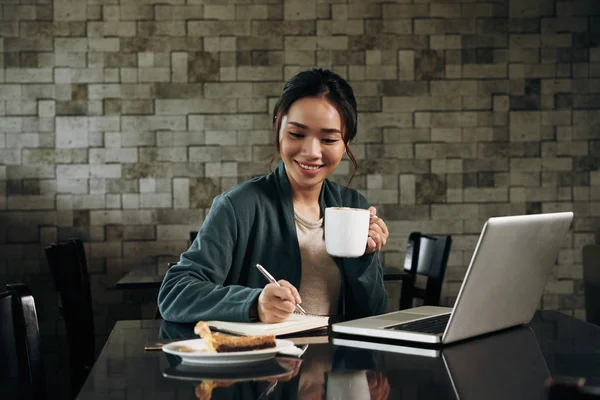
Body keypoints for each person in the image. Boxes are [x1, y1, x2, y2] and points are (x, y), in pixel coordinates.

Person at [158, 68, 389, 324]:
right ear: (278, 128)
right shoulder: (239, 206)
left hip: (341, 361)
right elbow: (174, 293)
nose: (312, 152)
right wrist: (254, 303)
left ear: (346, 142)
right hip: (267, 360)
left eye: (328, 139)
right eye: (297, 134)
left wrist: (365, 258)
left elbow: (373, 316)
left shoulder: (353, 206)